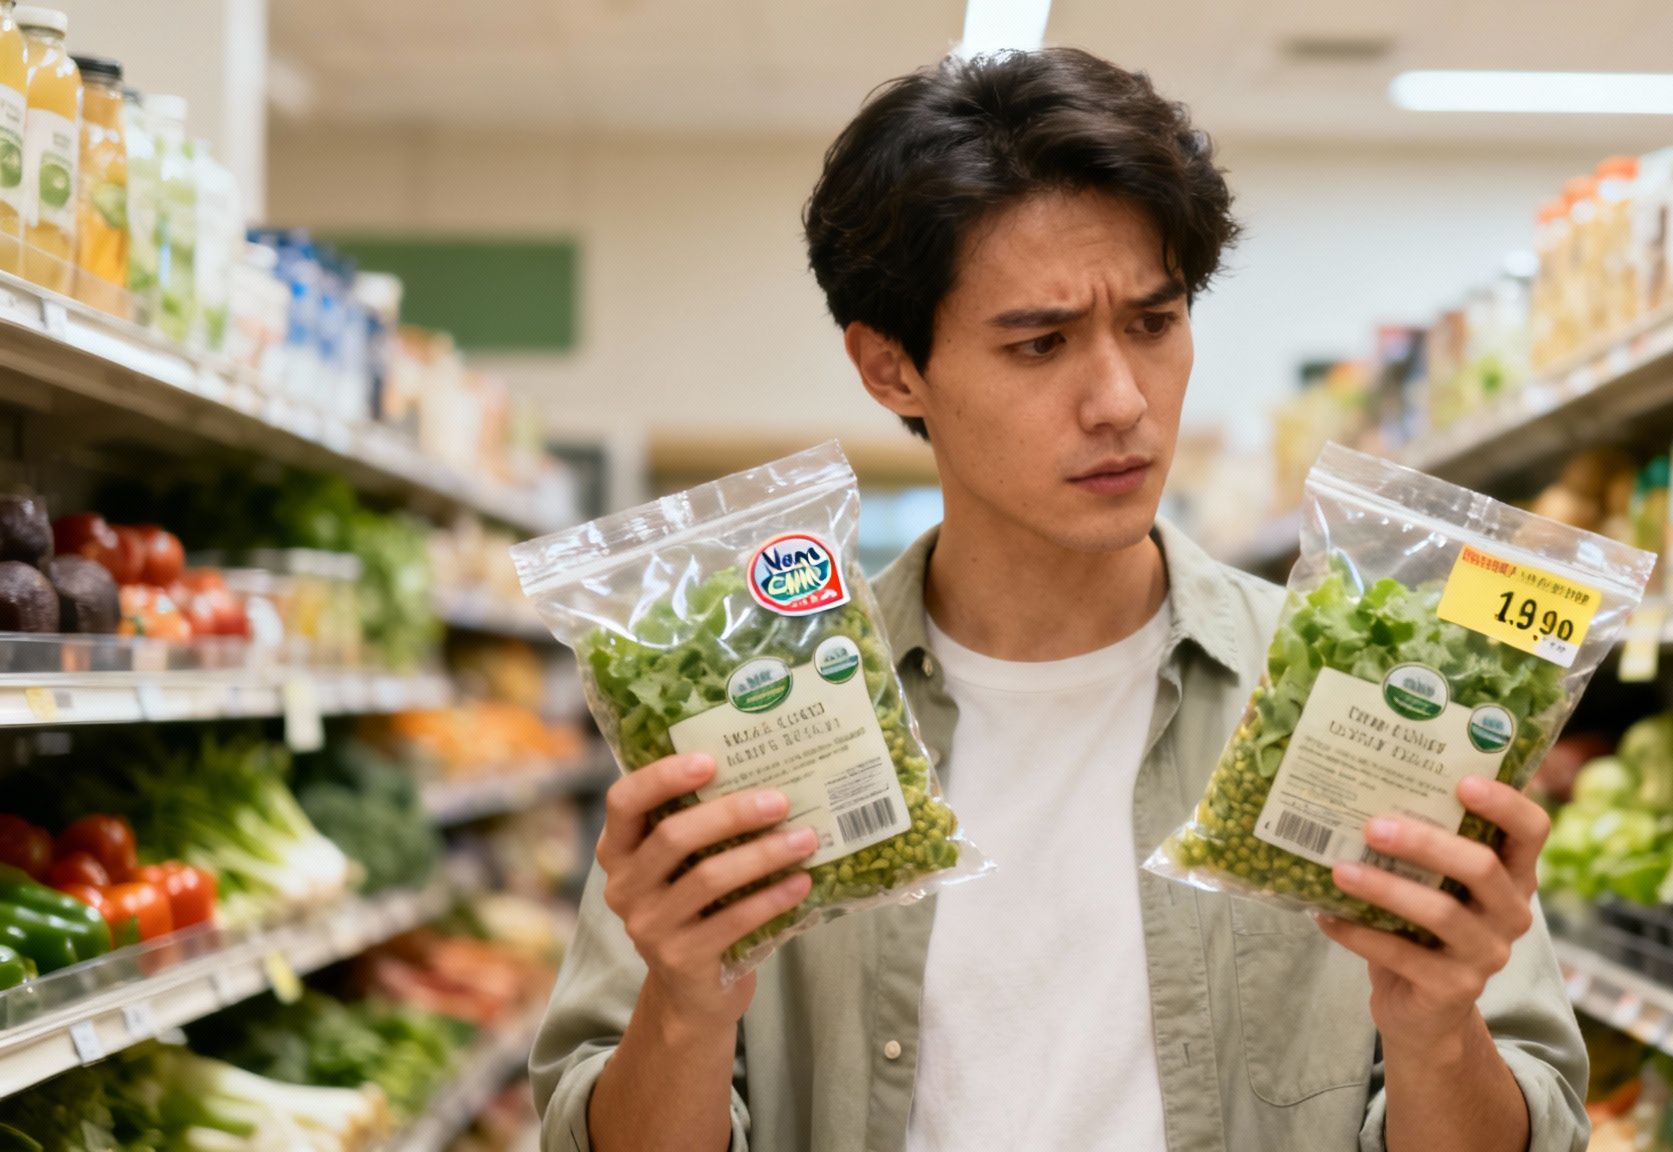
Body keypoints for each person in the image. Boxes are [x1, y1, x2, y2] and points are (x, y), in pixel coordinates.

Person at [532, 47, 1587, 1152]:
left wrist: (1435, 1035)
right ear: (890, 370)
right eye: (1039, 344)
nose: (1121, 403)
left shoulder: (1348, 688)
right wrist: (684, 1013)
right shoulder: (753, 724)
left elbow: (1537, 1124)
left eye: (1151, 323)